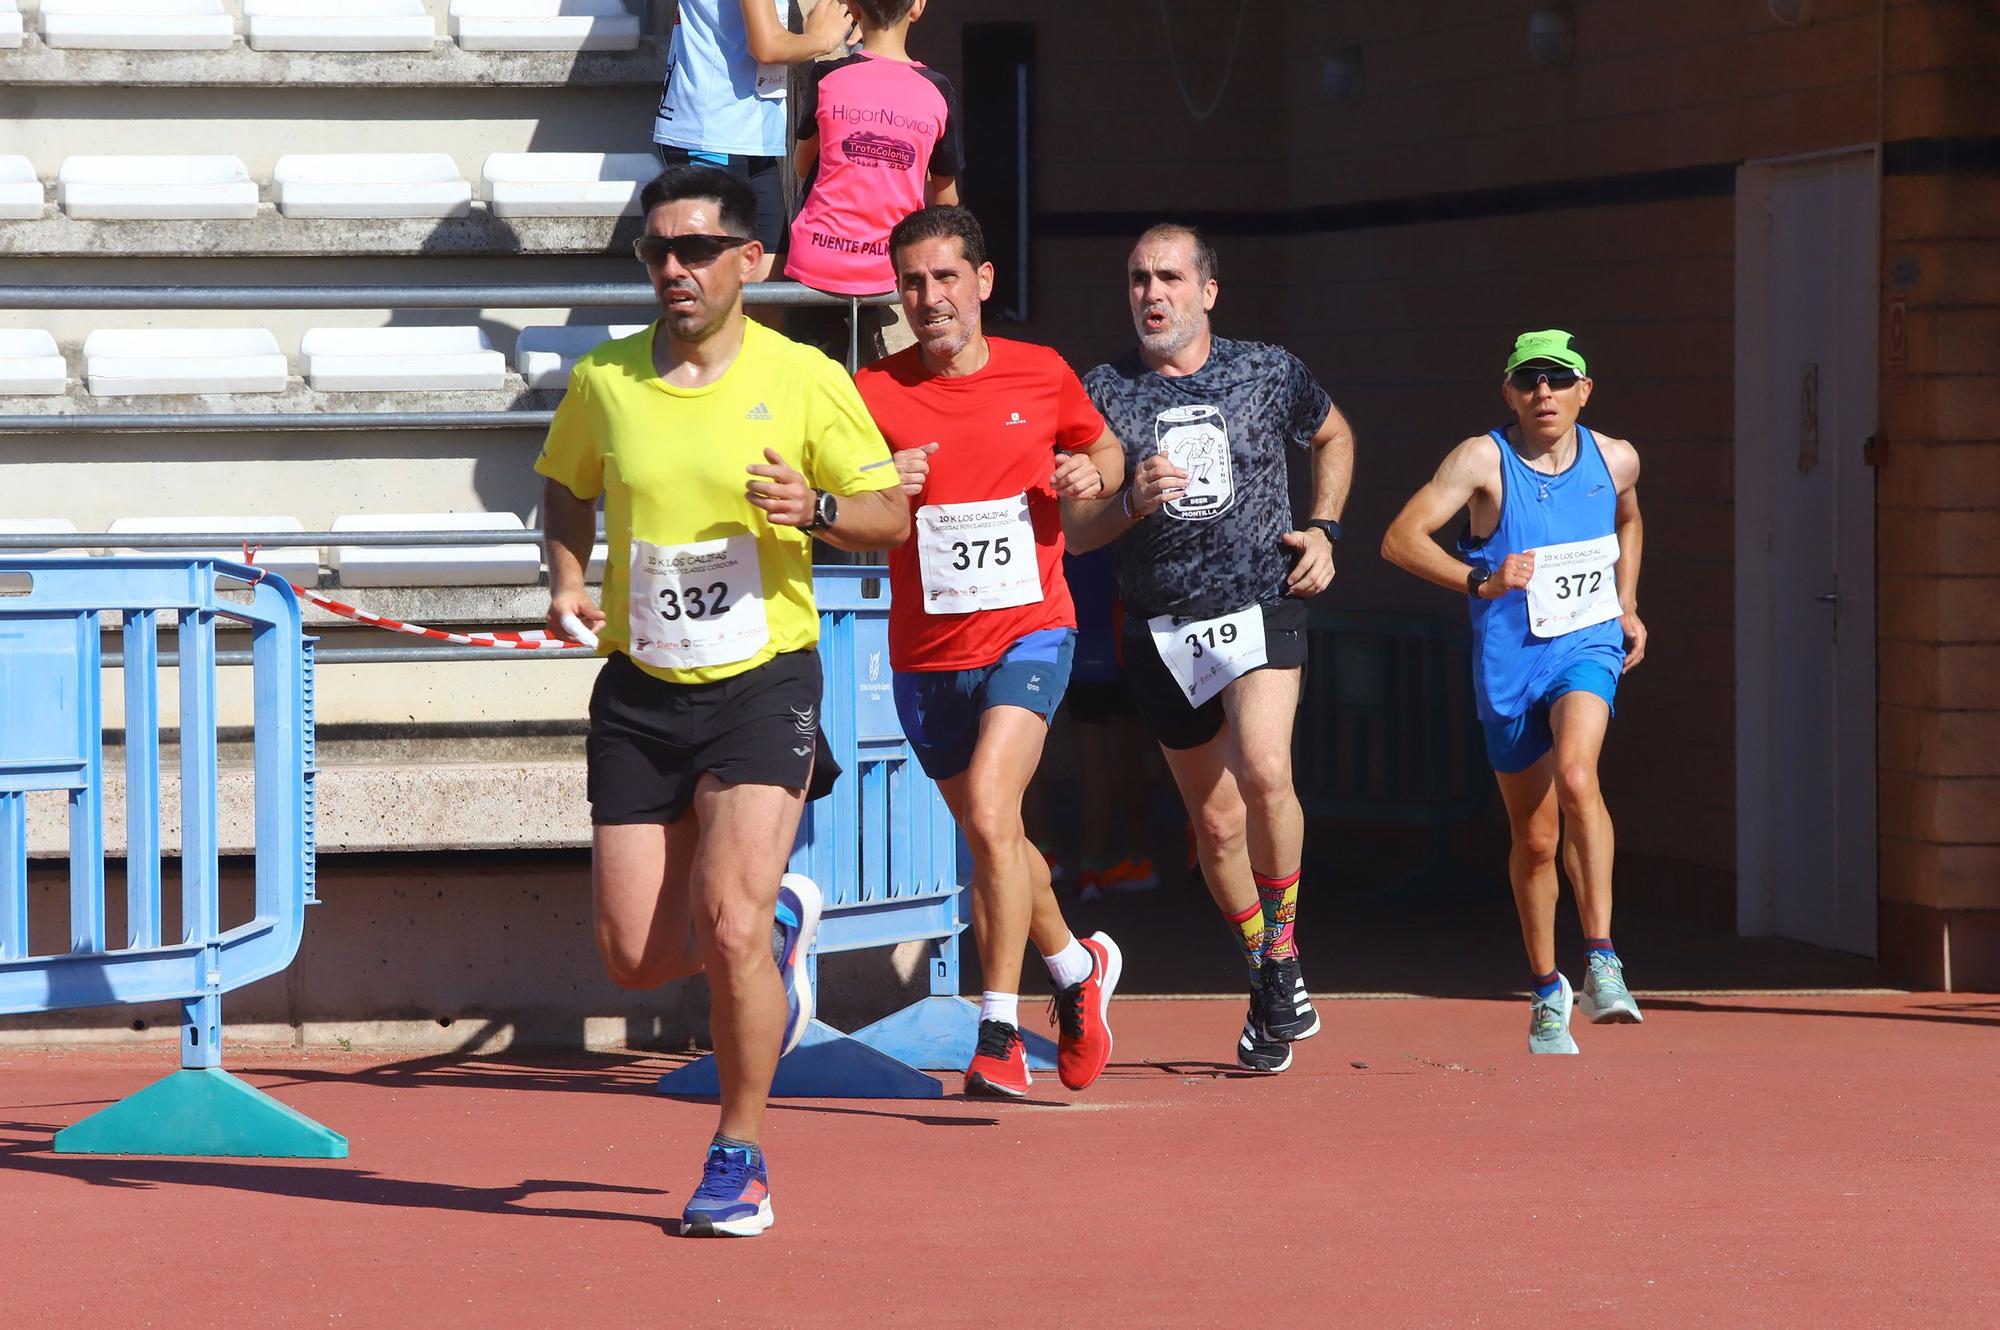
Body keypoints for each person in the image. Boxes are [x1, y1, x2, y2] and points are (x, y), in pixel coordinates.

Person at [536, 165, 908, 1236]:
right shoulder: (606, 380)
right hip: (642, 685)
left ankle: (736, 1155)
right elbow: (564, 482)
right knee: (634, 955)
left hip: (763, 677)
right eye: (656, 250)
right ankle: (781, 922)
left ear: (753, 259)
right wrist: (566, 573)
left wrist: (821, 505)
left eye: (695, 248)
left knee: (729, 921)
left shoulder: (800, 378)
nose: (671, 269)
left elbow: (888, 508)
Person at [854, 205, 1126, 1098]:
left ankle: (999, 1027)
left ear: (983, 282)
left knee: (990, 809)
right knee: (993, 831)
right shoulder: (872, 393)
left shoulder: (1041, 374)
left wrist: (1097, 474)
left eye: (945, 279)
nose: (930, 298)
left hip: (1030, 632)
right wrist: (873, 485)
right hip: (925, 655)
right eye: (912, 283)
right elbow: (844, 511)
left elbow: (1104, 450)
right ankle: (1077, 969)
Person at [1070, 224, 1355, 1075]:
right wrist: (1126, 504)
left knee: (1266, 771)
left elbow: (1334, 434)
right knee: (1216, 823)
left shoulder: (1267, 369)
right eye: (1136, 280)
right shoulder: (1102, 393)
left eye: (1167, 278)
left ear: (1207, 291)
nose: (1150, 294)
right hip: (1159, 626)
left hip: (1261, 600)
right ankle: (1275, 975)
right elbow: (1080, 534)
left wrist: (1326, 529)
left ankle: (1283, 952)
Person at [1379, 330, 1646, 1055]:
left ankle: (1602, 958)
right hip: (1509, 668)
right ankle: (1546, 986)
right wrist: (1480, 579)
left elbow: (1627, 514)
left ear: (1585, 389)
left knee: (1577, 774)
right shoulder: (1481, 460)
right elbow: (1400, 539)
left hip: (1585, 649)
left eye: (1559, 381)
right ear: (1509, 392)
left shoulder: (1614, 456)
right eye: (1530, 381)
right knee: (1533, 839)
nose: (1545, 394)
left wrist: (1626, 604)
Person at [785, 0, 961, 355]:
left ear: (854, 7)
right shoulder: (937, 90)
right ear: (918, 7)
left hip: (817, 262)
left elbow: (802, 166)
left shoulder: (828, 76)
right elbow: (947, 200)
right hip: (893, 269)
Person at [652, 1, 857, 284]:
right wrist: (822, 39)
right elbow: (767, 46)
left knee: (767, 289)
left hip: (745, 138)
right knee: (708, 291)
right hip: (713, 136)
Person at [1063, 546, 1161, 900]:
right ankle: (1134, 859)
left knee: (1102, 767)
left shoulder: (1071, 520)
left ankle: (1095, 868)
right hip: (1123, 647)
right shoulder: (1124, 515)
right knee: (1128, 762)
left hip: (1093, 647)